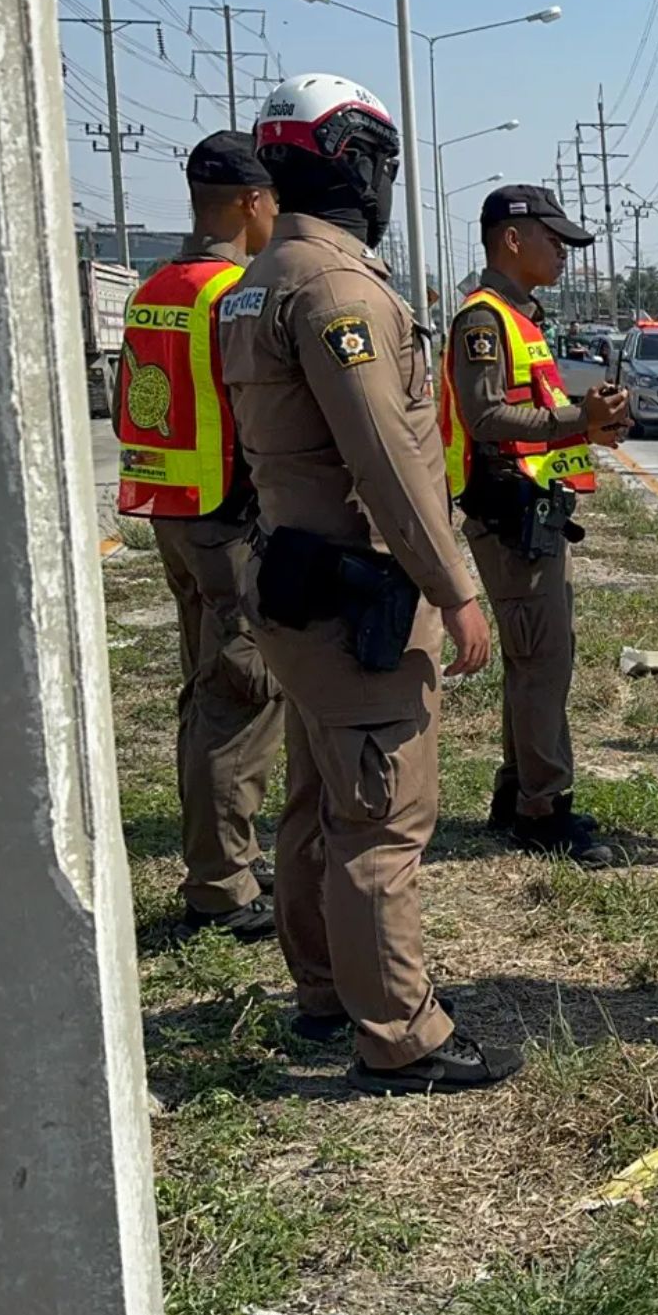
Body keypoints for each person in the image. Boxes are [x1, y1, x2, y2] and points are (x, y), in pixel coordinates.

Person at [223, 73, 516, 1095]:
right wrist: (457, 587)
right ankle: (398, 1031)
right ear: (354, 162)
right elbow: (386, 459)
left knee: (317, 799)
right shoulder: (339, 288)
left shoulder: (261, 280)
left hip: (291, 581)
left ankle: (324, 987)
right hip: (355, 596)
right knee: (382, 819)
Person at [114, 130, 283, 940]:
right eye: (273, 203)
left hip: (173, 513)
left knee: (204, 685)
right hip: (229, 521)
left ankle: (226, 855)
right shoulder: (234, 295)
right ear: (252, 203)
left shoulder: (154, 287)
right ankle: (220, 884)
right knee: (240, 693)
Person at [440, 184, 630, 863]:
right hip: (508, 512)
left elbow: (537, 416)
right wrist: (576, 419)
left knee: (538, 660)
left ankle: (519, 787)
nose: (563, 253)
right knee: (541, 663)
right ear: (511, 240)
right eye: (553, 240)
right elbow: (486, 418)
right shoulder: (484, 321)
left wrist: (592, 422)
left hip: (534, 511)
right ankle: (544, 810)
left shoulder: (519, 317)